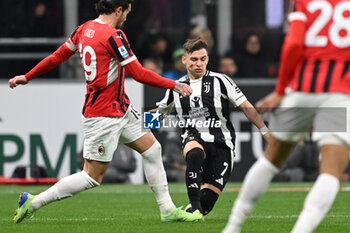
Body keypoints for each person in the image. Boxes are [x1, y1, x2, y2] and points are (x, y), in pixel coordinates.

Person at [9, 0, 202, 224]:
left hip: (121, 108)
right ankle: (32, 202)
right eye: (127, 12)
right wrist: (173, 85)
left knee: (152, 150)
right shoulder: (114, 36)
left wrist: (28, 76)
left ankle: (167, 210)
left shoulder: (83, 30)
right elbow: (138, 73)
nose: (127, 17)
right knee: (91, 177)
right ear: (119, 10)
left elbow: (57, 57)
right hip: (103, 115)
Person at [223, 0, 350, 232]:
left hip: (300, 90)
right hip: (339, 93)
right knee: (331, 172)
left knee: (270, 160)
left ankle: (232, 227)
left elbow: (293, 44)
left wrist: (280, 91)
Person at [156, 38, 270, 216]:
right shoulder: (175, 87)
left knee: (206, 205)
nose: (198, 64)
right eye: (194, 59)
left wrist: (265, 131)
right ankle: (193, 206)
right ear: (184, 60)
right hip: (194, 138)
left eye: (202, 59)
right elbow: (160, 113)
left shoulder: (221, 81)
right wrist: (135, 125)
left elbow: (246, 106)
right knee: (194, 153)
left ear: (207, 59)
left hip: (222, 144)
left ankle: (192, 210)